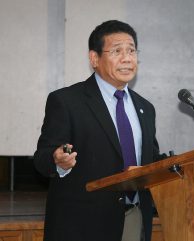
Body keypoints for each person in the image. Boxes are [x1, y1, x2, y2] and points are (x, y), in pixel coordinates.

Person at [34, 20, 164, 241]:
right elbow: (42, 158)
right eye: (117, 51)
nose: (127, 58)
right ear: (94, 58)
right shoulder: (67, 101)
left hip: (134, 220)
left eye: (131, 50)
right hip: (83, 226)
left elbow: (150, 160)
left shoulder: (145, 108)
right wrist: (58, 160)